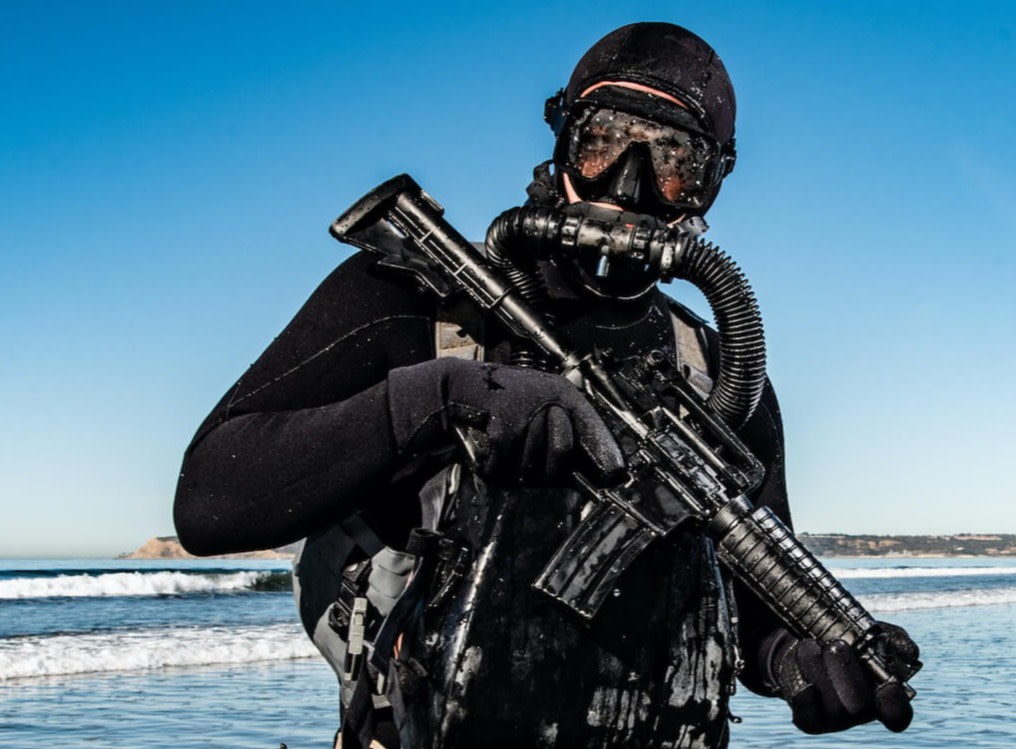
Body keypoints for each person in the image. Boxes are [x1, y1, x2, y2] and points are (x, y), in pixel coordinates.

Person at [174, 22, 918, 749]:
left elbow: (751, 601)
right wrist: (439, 399)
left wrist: (796, 662)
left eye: (671, 160)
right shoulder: (415, 303)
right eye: (602, 141)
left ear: (709, 183)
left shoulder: (717, 367)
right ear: (562, 140)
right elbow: (210, 504)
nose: (627, 186)